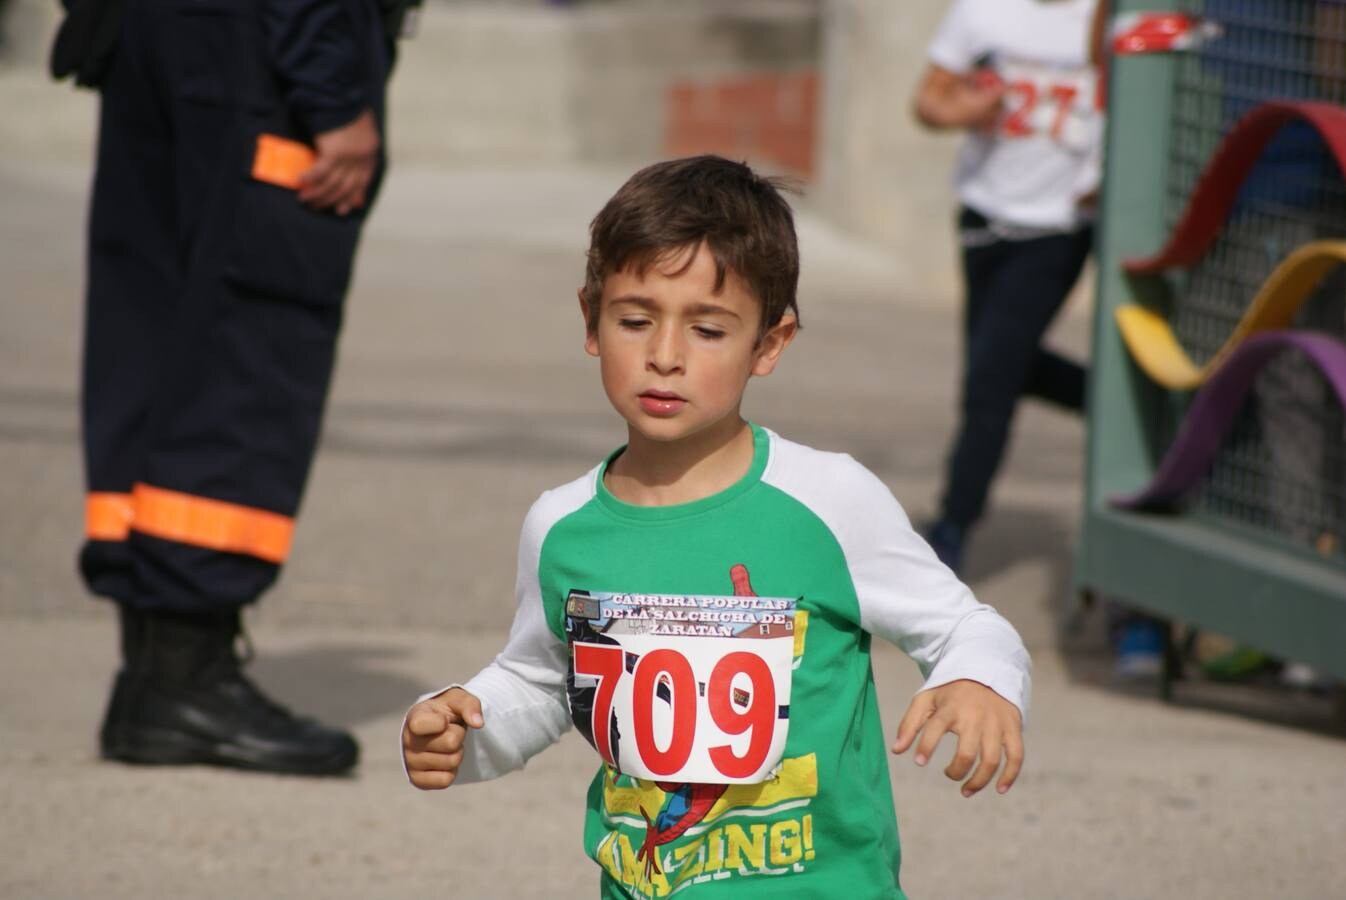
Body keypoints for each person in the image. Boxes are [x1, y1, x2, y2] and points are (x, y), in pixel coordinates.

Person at [401, 156, 1030, 898]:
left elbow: (965, 625)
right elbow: (543, 678)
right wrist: (467, 730)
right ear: (591, 320)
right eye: (634, 320)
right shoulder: (562, 526)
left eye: (707, 330)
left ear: (769, 344)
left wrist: (978, 681)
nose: (664, 356)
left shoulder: (829, 500)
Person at [52, 0, 408, 775]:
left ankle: (156, 679)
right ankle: (186, 678)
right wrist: (334, 92)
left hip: (156, 34)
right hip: (264, 53)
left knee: (155, 343)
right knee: (245, 357)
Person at [911, 0, 1102, 576]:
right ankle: (1114, 402)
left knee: (990, 381)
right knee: (997, 369)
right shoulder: (982, 11)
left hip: (1059, 229)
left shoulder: (1105, 16)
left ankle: (953, 526)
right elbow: (927, 102)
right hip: (983, 218)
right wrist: (965, 108)